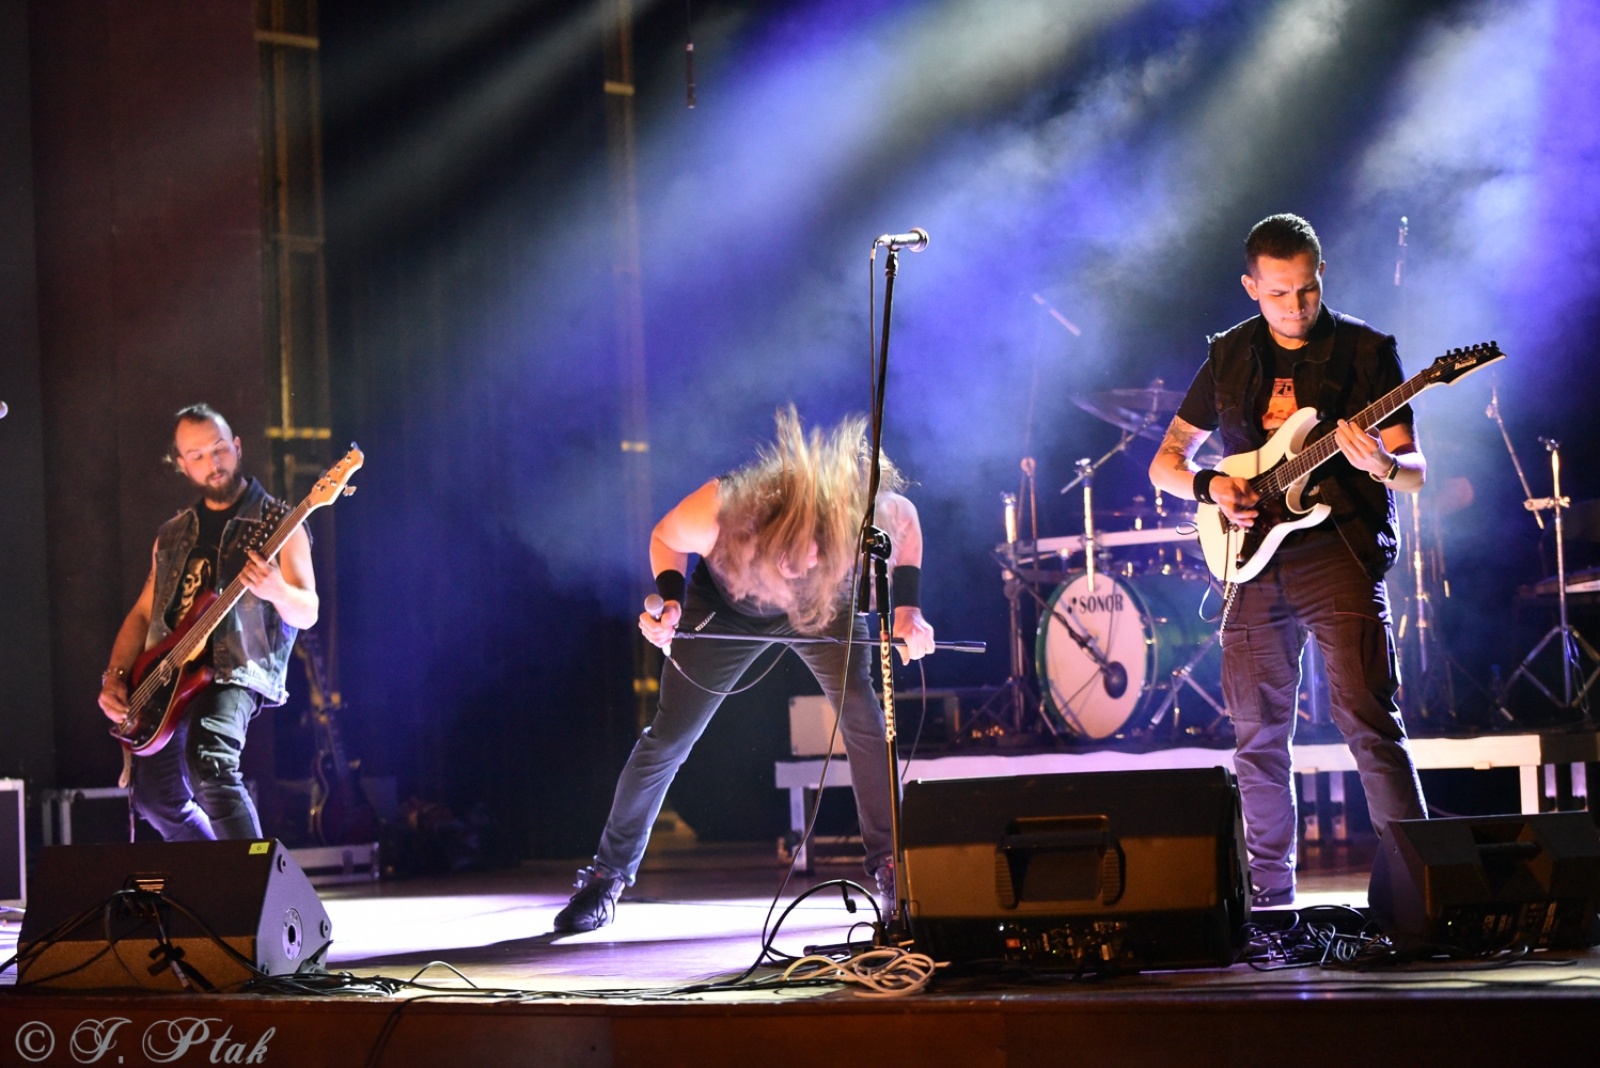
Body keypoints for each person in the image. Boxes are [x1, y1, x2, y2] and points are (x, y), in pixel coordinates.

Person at [554, 406, 936, 933]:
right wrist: (670, 604)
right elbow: (665, 537)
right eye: (790, 558)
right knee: (669, 736)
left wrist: (908, 609)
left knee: (864, 720)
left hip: (825, 609)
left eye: (815, 554)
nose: (802, 567)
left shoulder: (854, 510)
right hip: (728, 608)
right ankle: (606, 876)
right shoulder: (721, 508)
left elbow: (907, 521)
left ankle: (892, 869)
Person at [1148, 213, 1427, 908]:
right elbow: (1165, 463)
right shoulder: (1228, 355)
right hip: (1250, 563)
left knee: (1368, 717)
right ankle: (1270, 900)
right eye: (1277, 293)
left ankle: (1423, 890)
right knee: (1258, 737)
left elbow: (1415, 469)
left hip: (1339, 551)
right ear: (1251, 287)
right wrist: (1212, 486)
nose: (1295, 306)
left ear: (1321, 272)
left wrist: (1384, 465)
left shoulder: (1366, 351)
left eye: (1306, 289)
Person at [97, 404, 318, 840]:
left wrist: (276, 590)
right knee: (156, 798)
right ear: (182, 465)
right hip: (167, 676)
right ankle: (214, 870)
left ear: (237, 447)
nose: (213, 463)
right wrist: (116, 677)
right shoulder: (172, 534)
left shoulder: (282, 522)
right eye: (197, 456)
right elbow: (143, 614)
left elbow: (307, 611)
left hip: (234, 671)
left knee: (209, 762)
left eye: (219, 449)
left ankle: (253, 881)